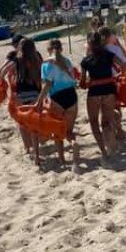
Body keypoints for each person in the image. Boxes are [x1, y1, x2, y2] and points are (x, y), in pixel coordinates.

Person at [80, 31, 125, 159]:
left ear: (89, 44)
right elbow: (124, 66)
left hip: (94, 93)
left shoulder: (86, 61)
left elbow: (82, 83)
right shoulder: (109, 55)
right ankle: (111, 146)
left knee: (94, 122)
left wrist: (85, 83)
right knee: (107, 121)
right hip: (109, 91)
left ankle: (103, 151)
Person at [35, 39, 79, 167]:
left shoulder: (46, 64)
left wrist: (39, 102)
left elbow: (47, 85)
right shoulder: (67, 62)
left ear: (48, 50)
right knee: (69, 131)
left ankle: (62, 160)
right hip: (71, 96)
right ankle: (74, 144)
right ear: (61, 49)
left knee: (58, 132)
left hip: (57, 98)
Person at [2, 38, 42, 162]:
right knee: (34, 122)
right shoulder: (37, 60)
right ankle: (36, 152)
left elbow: (4, 71)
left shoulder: (17, 61)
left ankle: (27, 148)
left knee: (22, 122)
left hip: (21, 95)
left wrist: (3, 82)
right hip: (35, 93)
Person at [98, 26, 126, 139]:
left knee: (105, 109)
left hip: (101, 82)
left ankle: (112, 131)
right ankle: (119, 129)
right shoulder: (114, 49)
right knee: (116, 107)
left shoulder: (97, 50)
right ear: (110, 36)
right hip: (116, 79)